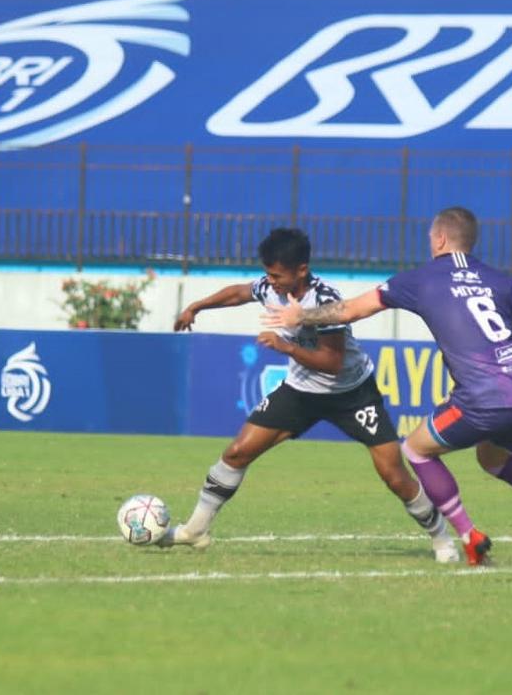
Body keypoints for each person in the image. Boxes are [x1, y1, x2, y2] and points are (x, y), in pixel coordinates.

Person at [264, 206, 512, 566]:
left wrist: (302, 316)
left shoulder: (420, 279)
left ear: (439, 239)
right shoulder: (499, 279)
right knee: (493, 459)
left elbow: (348, 311)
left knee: (416, 450)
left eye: (430, 238)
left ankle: (470, 537)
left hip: (483, 397)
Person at [160, 227, 460, 563]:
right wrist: (197, 306)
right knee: (237, 453)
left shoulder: (325, 301)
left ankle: (442, 539)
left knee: (394, 475)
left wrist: (284, 346)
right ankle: (195, 530)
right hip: (300, 392)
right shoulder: (270, 288)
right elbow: (238, 293)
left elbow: (331, 363)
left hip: (352, 395)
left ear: (301, 270)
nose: (270, 281)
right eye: (267, 274)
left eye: (277, 275)